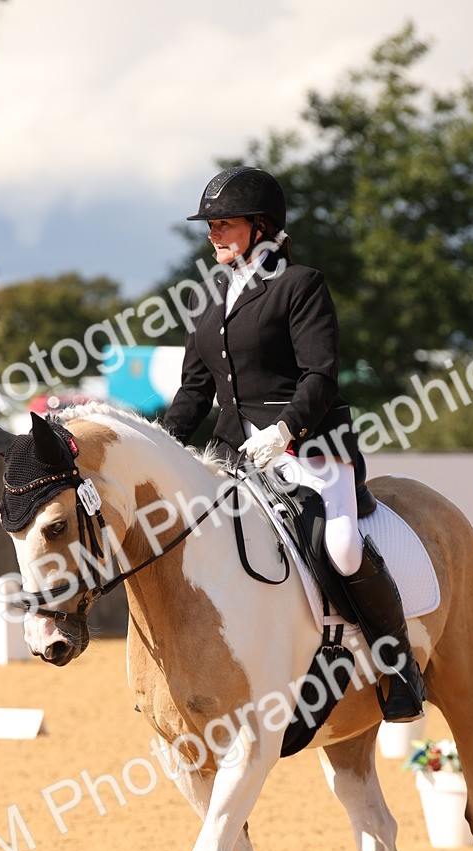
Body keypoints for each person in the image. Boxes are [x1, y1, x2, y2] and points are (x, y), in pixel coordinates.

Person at [162, 166, 425, 722]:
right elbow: (194, 390)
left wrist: (285, 430)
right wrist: (160, 443)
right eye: (209, 225)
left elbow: (320, 375)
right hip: (234, 457)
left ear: (261, 227)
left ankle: (396, 663)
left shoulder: (300, 285)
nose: (213, 235)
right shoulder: (209, 300)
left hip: (309, 450)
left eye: (225, 224)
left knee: (342, 547)